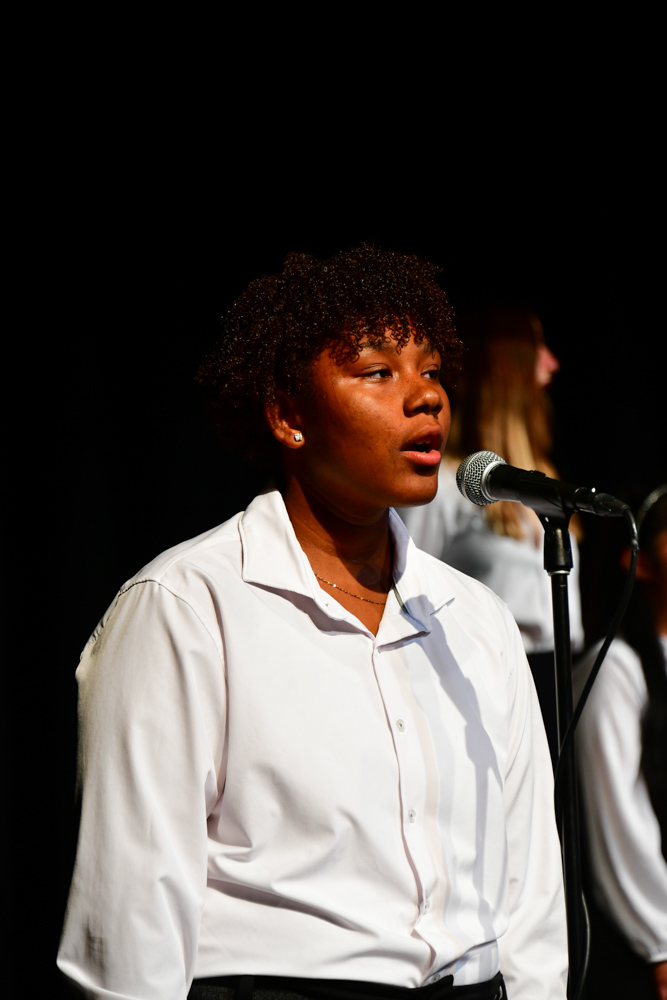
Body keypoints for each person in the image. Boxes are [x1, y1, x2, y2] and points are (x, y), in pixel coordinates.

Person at [57, 245, 567, 1000]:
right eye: (377, 372)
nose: (426, 397)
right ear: (288, 416)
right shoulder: (188, 607)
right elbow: (132, 917)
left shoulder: (477, 619)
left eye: (430, 370)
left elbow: (529, 899)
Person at [399, 304, 584, 767]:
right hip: (483, 689)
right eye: (539, 348)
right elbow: (404, 594)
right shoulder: (444, 487)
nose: (553, 363)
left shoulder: (541, 485)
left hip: (559, 681)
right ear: (510, 365)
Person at [575, 486, 667, 1000]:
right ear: (640, 563)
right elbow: (618, 821)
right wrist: (662, 938)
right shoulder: (615, 669)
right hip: (636, 956)